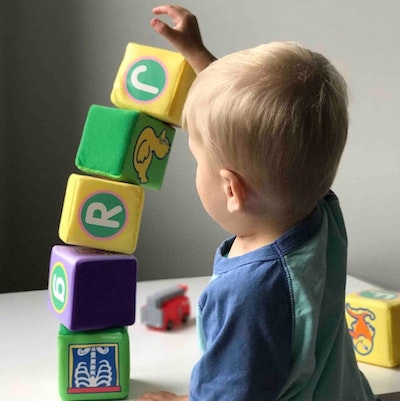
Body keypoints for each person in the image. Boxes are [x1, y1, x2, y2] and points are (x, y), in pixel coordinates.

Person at [138, 5, 379, 401]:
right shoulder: (318, 211)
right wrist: (200, 59)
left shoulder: (250, 293)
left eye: (199, 160)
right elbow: (268, 136)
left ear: (232, 190)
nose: (197, 165)